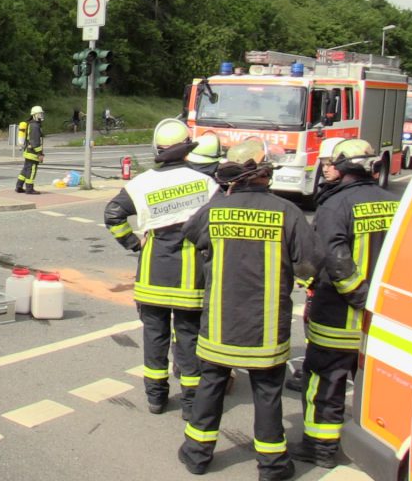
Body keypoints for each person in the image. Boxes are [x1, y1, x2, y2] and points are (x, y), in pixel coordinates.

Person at [179, 139, 324, 481]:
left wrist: (223, 196)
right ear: (265, 173)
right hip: (267, 329)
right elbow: (309, 266)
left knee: (211, 385)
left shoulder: (215, 210)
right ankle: (272, 467)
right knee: (268, 392)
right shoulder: (287, 212)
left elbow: (191, 234)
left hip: (218, 325)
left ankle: (197, 455)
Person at [292, 139, 401, 469]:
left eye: (331, 163)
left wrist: (358, 298)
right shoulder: (391, 201)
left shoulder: (334, 207)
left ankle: (321, 448)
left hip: (341, 315)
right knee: (375, 386)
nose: (326, 168)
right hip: (383, 319)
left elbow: (333, 258)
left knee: (325, 379)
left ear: (346, 168)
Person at [104, 119, 220, 419]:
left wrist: (132, 243)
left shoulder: (142, 183)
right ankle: (191, 401)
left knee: (155, 338)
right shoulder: (205, 182)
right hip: (190, 280)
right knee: (189, 338)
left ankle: (156, 398)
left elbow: (113, 214)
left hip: (152, 276)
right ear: (187, 149)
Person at [284, 137, 346, 394]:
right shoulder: (331, 192)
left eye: (332, 163)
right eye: (324, 163)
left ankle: (319, 374)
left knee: (324, 332)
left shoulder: (337, 200)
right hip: (331, 279)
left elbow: (328, 245)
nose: (327, 168)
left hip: (333, 280)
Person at [16, 106, 45, 195]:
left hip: (28, 151)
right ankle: (29, 189)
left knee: (25, 170)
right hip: (33, 153)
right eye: (40, 114)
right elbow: (35, 141)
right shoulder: (35, 126)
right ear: (34, 115)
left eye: (41, 113)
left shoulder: (31, 124)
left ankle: (19, 186)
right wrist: (40, 154)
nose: (41, 115)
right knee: (31, 170)